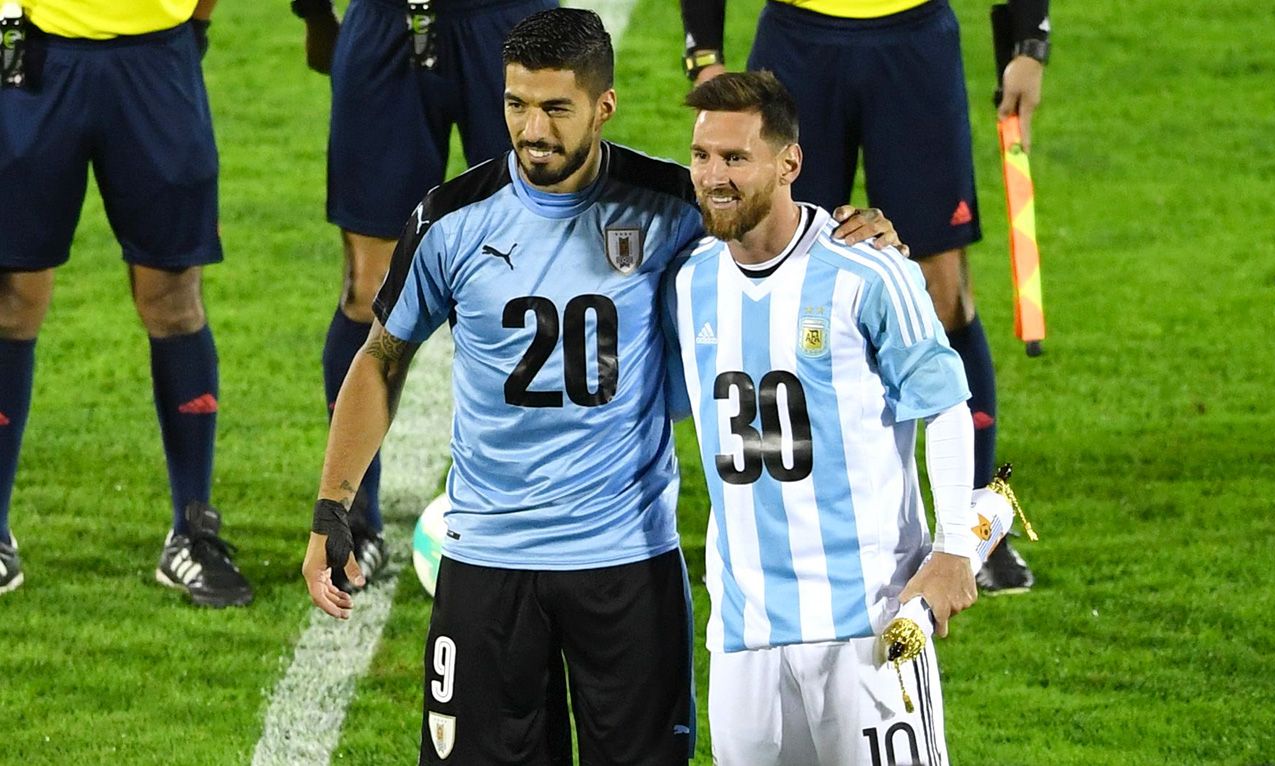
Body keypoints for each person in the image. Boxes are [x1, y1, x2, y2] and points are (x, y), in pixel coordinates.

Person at [300, 10, 896, 763]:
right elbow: (380, 358)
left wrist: (859, 226)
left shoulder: (670, 204)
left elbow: (779, 234)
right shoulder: (449, 219)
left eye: (556, 108)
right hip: (488, 564)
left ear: (602, 106)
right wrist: (333, 506)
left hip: (626, 564)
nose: (533, 130)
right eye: (517, 105)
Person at [679, 0, 1050, 592]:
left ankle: (979, 529)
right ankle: (767, 527)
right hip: (797, 39)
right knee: (762, 259)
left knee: (942, 288)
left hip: (915, 38)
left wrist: (1029, 42)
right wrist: (704, 51)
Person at [666, 70, 980, 764]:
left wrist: (956, 546)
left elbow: (946, 405)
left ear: (789, 164)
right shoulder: (689, 282)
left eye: (735, 158)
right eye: (701, 156)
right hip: (743, 633)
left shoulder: (868, 272)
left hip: (865, 625)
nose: (713, 176)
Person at [290, 0, 558, 589]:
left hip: (510, 20)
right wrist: (313, 14)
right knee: (371, 290)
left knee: (536, 270)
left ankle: (544, 507)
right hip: (386, 24)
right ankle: (352, 519)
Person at [0, 0, 251, 606]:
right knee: (9, 299)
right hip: (25, 53)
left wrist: (194, 26)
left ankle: (191, 531)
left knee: (171, 296)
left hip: (156, 55)